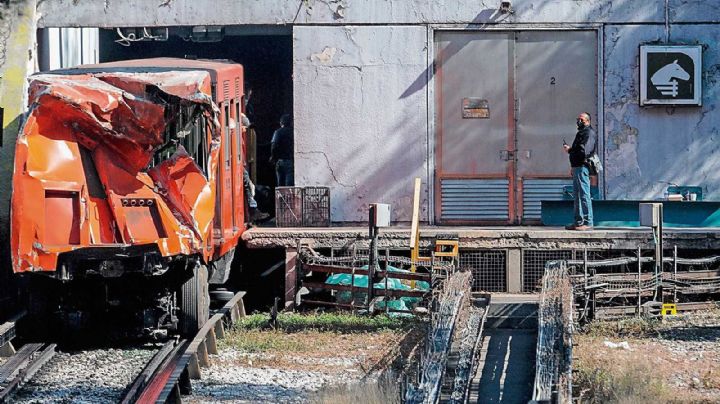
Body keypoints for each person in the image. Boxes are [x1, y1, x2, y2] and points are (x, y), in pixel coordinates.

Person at [563, 112, 597, 231]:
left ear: (587, 121)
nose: (579, 121)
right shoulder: (582, 133)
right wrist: (573, 165)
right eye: (578, 119)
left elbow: (584, 151)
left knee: (584, 194)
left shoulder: (589, 133)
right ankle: (578, 222)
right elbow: (579, 150)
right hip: (577, 167)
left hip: (582, 167)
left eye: (581, 119)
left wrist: (571, 151)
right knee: (577, 196)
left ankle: (588, 222)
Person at [270, 114, 294, 186]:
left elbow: (274, 146)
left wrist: (273, 157)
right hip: (290, 161)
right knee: (289, 186)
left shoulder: (278, 132)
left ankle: (280, 197)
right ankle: (289, 197)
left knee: (280, 185)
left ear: (281, 122)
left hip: (280, 161)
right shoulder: (293, 132)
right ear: (291, 122)